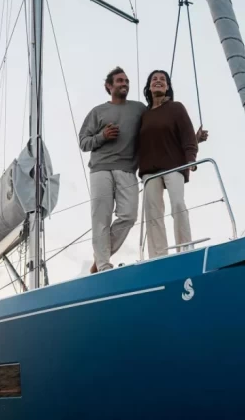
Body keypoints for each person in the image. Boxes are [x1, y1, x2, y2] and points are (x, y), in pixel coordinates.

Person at [79, 67, 147, 273]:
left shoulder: (139, 108)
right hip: (100, 169)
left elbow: (156, 126)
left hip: (127, 169)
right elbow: (83, 142)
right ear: (109, 86)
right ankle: (103, 265)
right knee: (101, 218)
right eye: (119, 81)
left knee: (129, 216)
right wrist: (102, 136)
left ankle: (100, 256)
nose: (124, 83)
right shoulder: (97, 112)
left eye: (126, 81)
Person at [138, 69, 208, 259]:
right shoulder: (143, 115)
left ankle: (184, 250)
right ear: (149, 87)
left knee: (178, 204)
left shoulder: (176, 108)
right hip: (149, 171)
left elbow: (187, 136)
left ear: (168, 87)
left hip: (174, 166)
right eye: (154, 79)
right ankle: (157, 256)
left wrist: (191, 159)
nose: (158, 81)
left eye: (162, 79)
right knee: (153, 212)